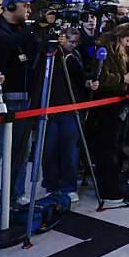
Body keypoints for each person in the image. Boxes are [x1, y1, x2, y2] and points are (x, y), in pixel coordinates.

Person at [0, 0, 40, 215]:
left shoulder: (25, 30)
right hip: (2, 98)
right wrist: (29, 31)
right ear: (11, 6)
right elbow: (3, 45)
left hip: (25, 97)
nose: (29, 10)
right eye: (26, 5)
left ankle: (16, 193)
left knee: (21, 152)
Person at [90, 23, 129, 208]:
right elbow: (101, 76)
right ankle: (108, 189)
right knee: (107, 146)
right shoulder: (103, 49)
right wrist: (122, 79)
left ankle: (114, 183)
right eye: (128, 40)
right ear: (121, 36)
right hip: (106, 104)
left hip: (117, 102)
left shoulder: (119, 50)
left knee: (115, 145)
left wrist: (128, 76)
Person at [42, 28, 88, 203]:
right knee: (50, 150)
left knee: (70, 150)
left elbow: (80, 79)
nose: (73, 45)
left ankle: (69, 186)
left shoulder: (75, 57)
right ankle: (51, 185)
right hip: (51, 107)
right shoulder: (51, 55)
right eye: (70, 41)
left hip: (72, 107)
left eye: (76, 42)